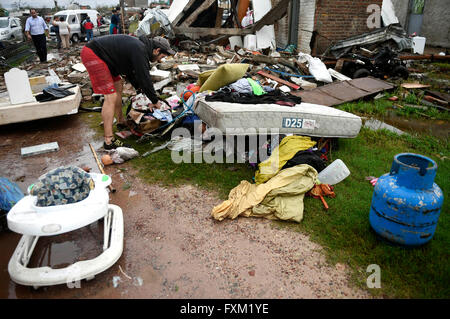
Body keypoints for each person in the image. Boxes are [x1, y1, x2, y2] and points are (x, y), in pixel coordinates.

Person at [80, 35, 176, 150]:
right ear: (157, 50)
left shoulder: (140, 48)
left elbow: (131, 73)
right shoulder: (140, 50)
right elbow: (144, 78)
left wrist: (140, 90)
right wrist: (154, 100)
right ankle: (109, 140)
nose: (160, 59)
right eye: (162, 56)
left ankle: (120, 121)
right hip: (94, 54)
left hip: (106, 59)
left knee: (118, 85)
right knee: (110, 96)